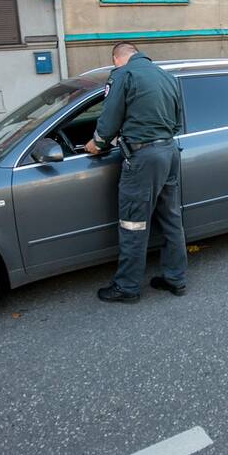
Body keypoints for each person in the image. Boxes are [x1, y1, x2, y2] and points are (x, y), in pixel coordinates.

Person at [84, 42, 188, 303]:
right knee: (171, 219)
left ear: (117, 59)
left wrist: (97, 143)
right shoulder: (167, 76)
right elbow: (177, 122)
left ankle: (127, 287)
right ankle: (175, 278)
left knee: (133, 223)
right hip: (169, 151)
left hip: (142, 158)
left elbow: (109, 118)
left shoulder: (123, 75)